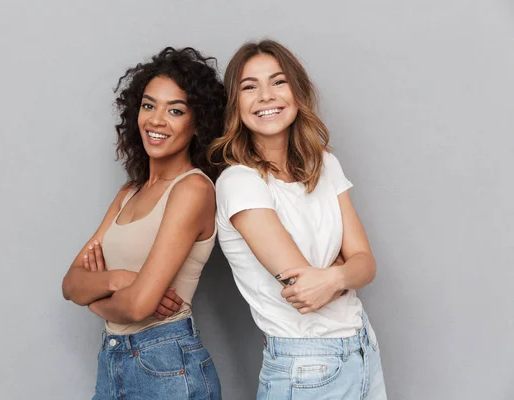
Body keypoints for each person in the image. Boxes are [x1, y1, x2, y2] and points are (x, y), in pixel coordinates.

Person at [209, 39, 387, 399]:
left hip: (362, 348)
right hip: (305, 365)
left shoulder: (325, 164)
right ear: (235, 104)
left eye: (278, 81)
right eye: (249, 87)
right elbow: (304, 291)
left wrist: (333, 275)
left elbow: (367, 265)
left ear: (297, 91)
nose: (265, 96)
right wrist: (341, 271)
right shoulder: (239, 183)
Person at [62, 47, 226, 400]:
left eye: (176, 110)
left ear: (198, 124)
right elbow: (70, 283)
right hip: (113, 358)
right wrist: (118, 280)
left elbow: (137, 307)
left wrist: (94, 301)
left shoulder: (193, 190)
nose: (156, 120)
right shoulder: (128, 193)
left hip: (166, 362)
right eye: (149, 105)